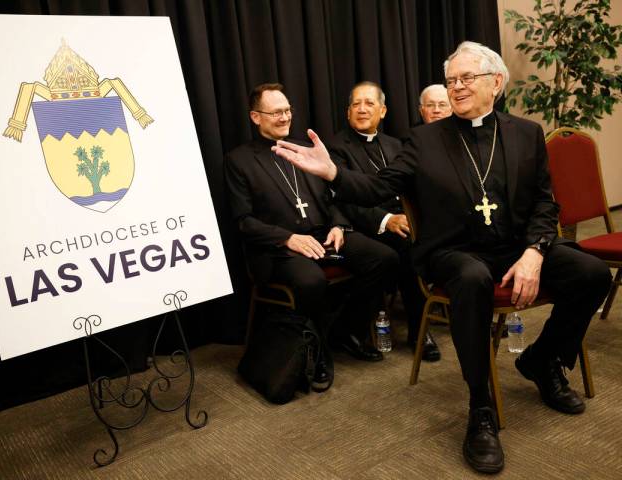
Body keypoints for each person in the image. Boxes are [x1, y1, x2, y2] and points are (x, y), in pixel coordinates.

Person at [272, 43, 611, 473]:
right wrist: (333, 173)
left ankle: (542, 360)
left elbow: (546, 205)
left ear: (496, 83)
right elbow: (379, 188)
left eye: (467, 78)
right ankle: (480, 407)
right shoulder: (424, 139)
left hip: (514, 246)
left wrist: (534, 251)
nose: (457, 87)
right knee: (472, 279)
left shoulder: (526, 133)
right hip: (453, 252)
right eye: (452, 80)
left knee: (592, 272)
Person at [225, 83, 399, 388]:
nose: (284, 117)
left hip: (323, 234)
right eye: (275, 112)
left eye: (287, 110)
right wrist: (286, 238)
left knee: (384, 258)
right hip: (280, 248)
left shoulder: (305, 150)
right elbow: (242, 221)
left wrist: (338, 225)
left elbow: (332, 198)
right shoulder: (239, 160)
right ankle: (317, 354)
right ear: (255, 117)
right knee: (311, 280)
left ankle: (347, 330)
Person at [328, 81, 440, 362]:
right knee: (409, 246)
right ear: (348, 112)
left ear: (383, 110)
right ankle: (418, 329)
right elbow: (342, 200)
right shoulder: (336, 148)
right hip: (362, 225)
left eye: (369, 104)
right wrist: (387, 219)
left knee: (432, 236)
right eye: (356, 104)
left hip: (401, 222)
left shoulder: (395, 145)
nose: (362, 109)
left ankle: (437, 318)